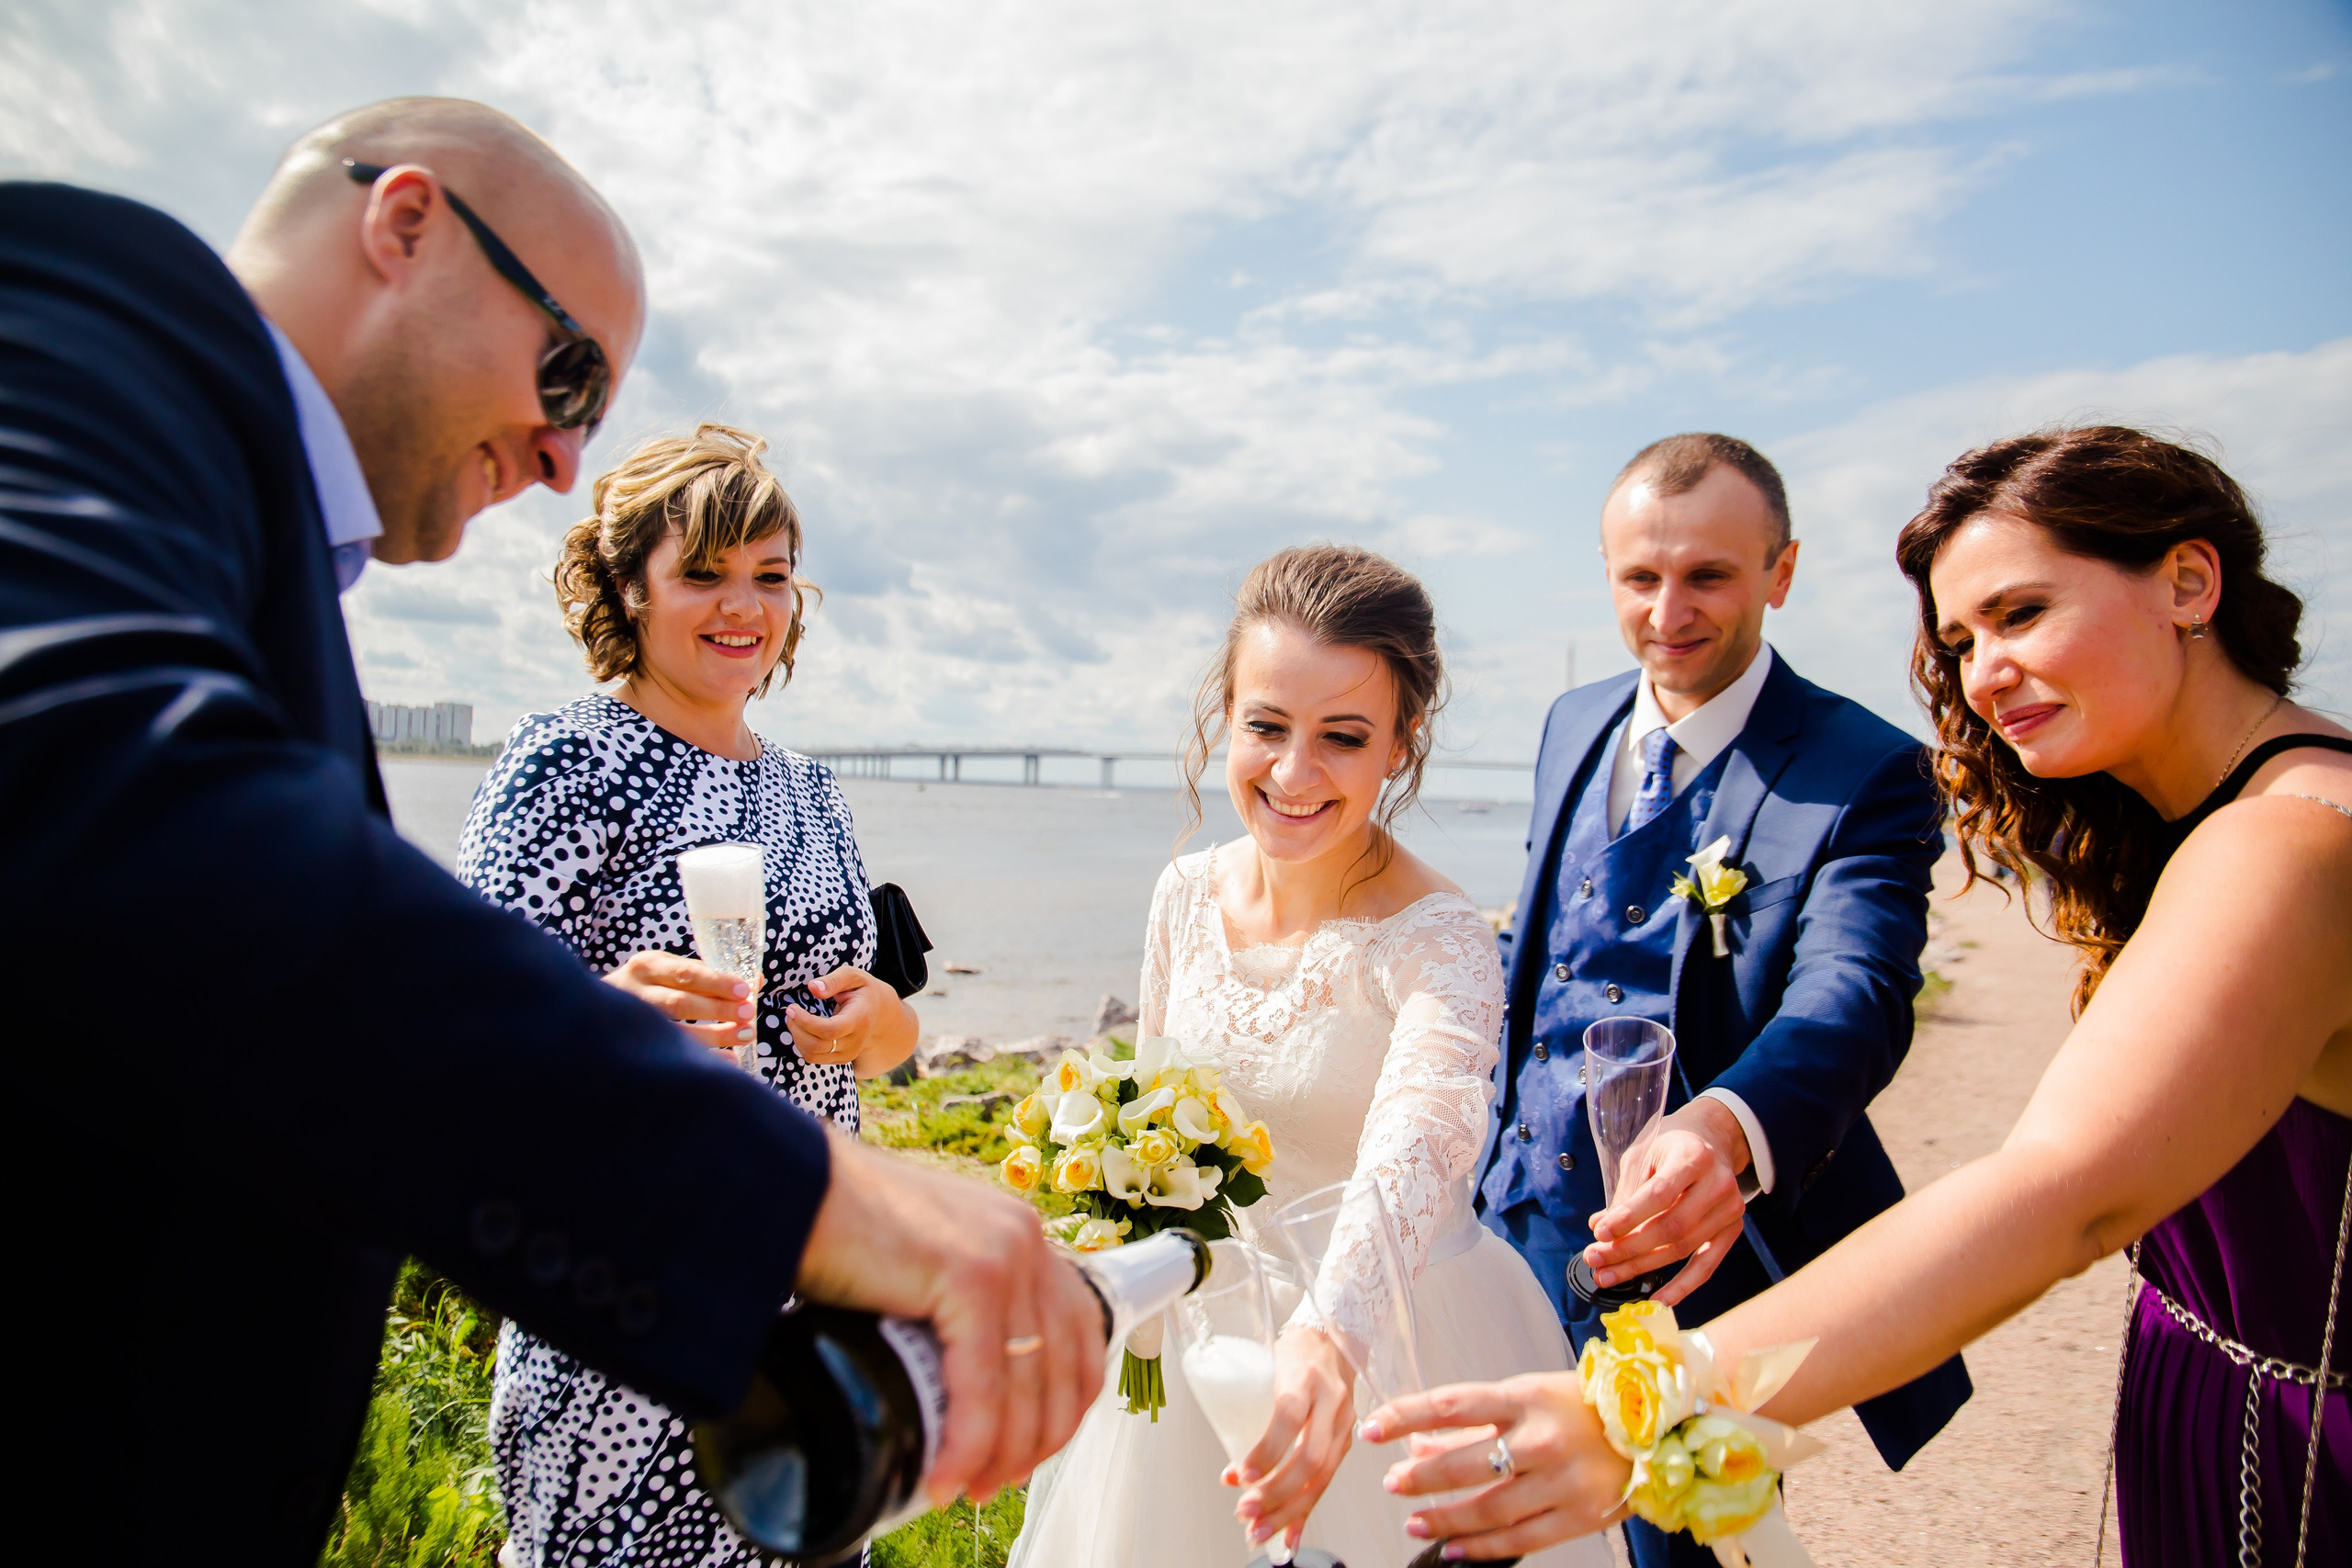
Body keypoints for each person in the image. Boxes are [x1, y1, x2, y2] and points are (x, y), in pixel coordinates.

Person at [0, 97, 1099, 1564]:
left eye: (593, 408)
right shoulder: (76, 317)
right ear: (405, 223)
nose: (567, 454)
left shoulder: (262, 541)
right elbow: (137, 823)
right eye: (567, 366)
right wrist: (794, 1196)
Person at [1367, 426, 2351, 1566]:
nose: (1982, 675)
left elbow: (2057, 1189)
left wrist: (1641, 1411)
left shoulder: (2285, 845)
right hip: (2219, 1395)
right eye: (1960, 638)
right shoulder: (2235, 811)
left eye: (2022, 614)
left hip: (2293, 1450)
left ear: (2188, 582)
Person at [1009, 546, 1601, 1568]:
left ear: (1400, 745)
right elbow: (1151, 1104)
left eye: (1342, 737)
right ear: (1225, 714)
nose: (1292, 773)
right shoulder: (1183, 896)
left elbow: (1424, 1138)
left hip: (1397, 1345)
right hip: (1204, 1342)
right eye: (1266, 727)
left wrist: (1334, 1335)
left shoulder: (1440, 935)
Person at [1473, 433, 1969, 1565]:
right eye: (1639, 578)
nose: (1667, 609)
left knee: (1677, 1545)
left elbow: (1855, 992)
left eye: (1708, 574)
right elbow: (1538, 950)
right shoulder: (1570, 722)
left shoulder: (1865, 769)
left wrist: (1724, 1130)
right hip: (1511, 1219)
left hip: (1699, 1256)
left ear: (1779, 573)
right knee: (1509, 1522)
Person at [459, 423, 918, 1564]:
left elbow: (888, 1030)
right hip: (627, 1288)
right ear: (629, 586)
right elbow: (463, 1033)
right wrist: (604, 1011)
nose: (743, 607)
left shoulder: (810, 789)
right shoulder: (569, 762)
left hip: (809, 1284)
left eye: (769, 576)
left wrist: (883, 1023)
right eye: (703, 573)